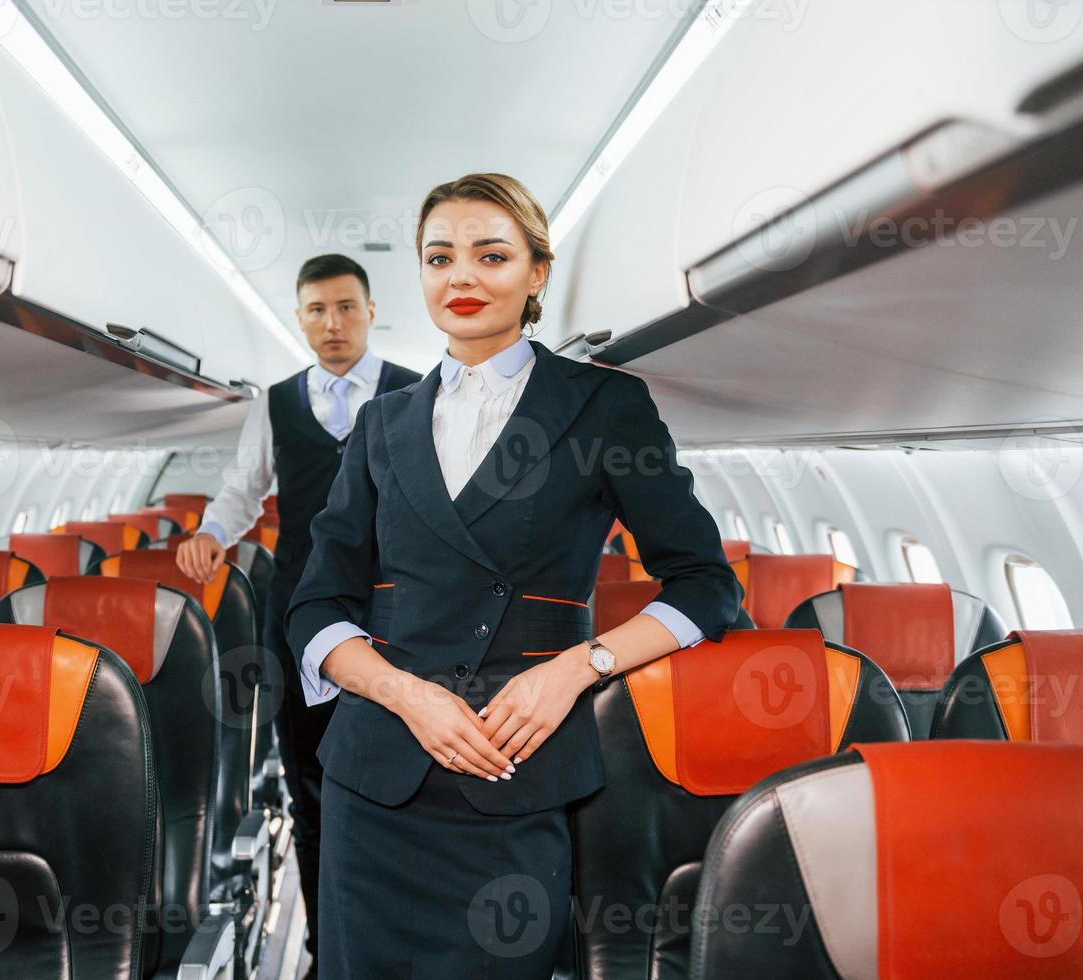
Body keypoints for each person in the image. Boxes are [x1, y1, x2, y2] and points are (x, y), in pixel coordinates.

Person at [285, 174, 743, 977]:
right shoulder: (382, 424)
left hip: (519, 765)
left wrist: (578, 668)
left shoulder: (603, 406)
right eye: (439, 257)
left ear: (536, 273)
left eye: (490, 255)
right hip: (378, 782)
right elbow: (317, 605)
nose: (460, 277)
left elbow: (706, 585)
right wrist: (405, 694)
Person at [174, 252, 422, 976]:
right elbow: (242, 490)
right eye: (317, 310)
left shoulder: (418, 393)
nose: (332, 323)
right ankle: (327, 950)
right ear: (300, 317)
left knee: (403, 788)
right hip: (302, 620)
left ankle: (398, 947)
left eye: (346, 307)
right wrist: (213, 535)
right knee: (314, 793)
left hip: (397, 620)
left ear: (372, 311)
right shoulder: (276, 402)